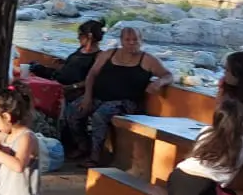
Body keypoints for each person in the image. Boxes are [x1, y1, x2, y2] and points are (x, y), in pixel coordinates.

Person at [67, 27, 173, 166]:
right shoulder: (109, 54)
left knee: (100, 115)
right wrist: (87, 96)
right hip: (99, 96)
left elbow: (168, 75)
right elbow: (92, 75)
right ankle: (83, 145)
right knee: (73, 110)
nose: (131, 43)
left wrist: (159, 82)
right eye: (127, 40)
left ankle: (95, 157)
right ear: (121, 41)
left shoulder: (148, 59)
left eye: (135, 40)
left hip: (126, 102)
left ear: (141, 41)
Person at [30, 20, 105, 99]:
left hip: (66, 85)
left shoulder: (99, 56)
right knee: (33, 66)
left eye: (80, 34)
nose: (78, 37)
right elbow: (77, 65)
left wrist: (71, 87)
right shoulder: (81, 49)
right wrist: (63, 62)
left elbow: (91, 79)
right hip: (56, 77)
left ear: (89, 36)